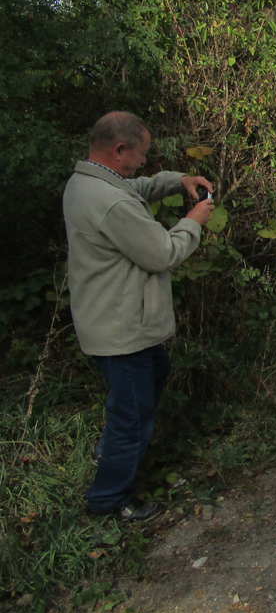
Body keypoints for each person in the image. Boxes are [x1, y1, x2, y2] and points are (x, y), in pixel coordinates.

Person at [64, 111, 215, 521]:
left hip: (121, 323)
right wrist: (193, 221)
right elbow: (163, 253)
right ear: (119, 150)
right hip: (121, 329)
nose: (144, 162)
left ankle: (119, 459)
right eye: (141, 154)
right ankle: (109, 500)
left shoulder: (91, 182)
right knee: (130, 416)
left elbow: (137, 186)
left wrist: (176, 179)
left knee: (142, 394)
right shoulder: (108, 201)